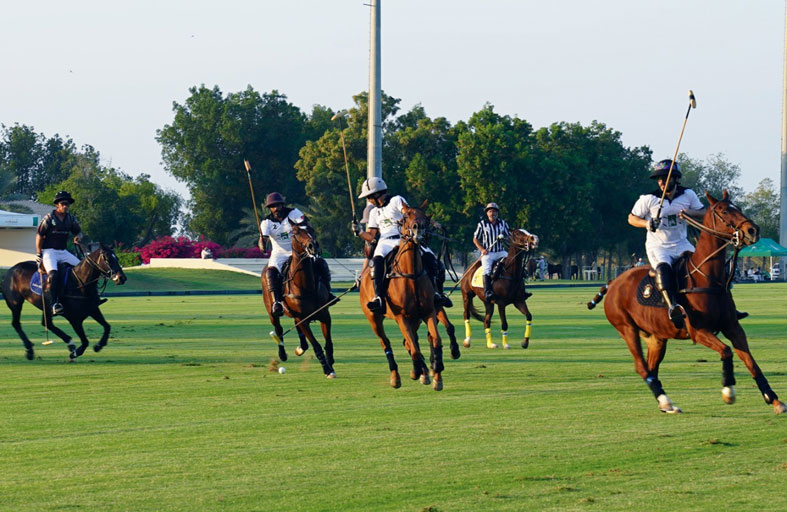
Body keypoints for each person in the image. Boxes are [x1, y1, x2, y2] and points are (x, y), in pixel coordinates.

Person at [352, 177, 449, 313]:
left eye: (369, 197)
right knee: (375, 263)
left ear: (376, 194)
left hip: (404, 238)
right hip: (385, 242)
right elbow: (371, 236)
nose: (368, 200)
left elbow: (412, 214)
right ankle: (378, 297)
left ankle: (438, 293)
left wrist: (432, 223)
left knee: (432, 259)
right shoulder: (374, 212)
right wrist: (359, 232)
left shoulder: (396, 200)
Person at [628, 159, 705, 328]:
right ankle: (673, 307)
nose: (662, 182)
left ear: (675, 179)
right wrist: (647, 224)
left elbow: (703, 212)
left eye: (666, 178)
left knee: (704, 265)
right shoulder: (649, 199)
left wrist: (689, 213)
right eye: (659, 179)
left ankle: (722, 303)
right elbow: (632, 218)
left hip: (681, 243)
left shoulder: (688, 195)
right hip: (658, 245)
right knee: (663, 269)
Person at [258, 192, 334, 317]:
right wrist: (262, 244)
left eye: (278, 205)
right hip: (280, 253)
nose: (276, 208)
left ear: (282, 205)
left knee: (321, 263)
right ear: (269, 208)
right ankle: (277, 302)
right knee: (270, 272)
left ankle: (328, 294)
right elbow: (264, 240)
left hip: (300, 249)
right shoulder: (266, 222)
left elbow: (306, 227)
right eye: (273, 206)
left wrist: (311, 241)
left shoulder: (293, 213)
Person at [35, 191, 83, 315]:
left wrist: (78, 237)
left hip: (63, 251)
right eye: (63, 203)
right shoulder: (49, 218)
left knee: (83, 268)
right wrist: (39, 253)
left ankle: (84, 296)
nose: (65, 206)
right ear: (57, 204)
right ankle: (54, 304)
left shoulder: (71, 219)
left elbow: (78, 232)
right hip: (49, 251)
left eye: (67, 204)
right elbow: (39, 235)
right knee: (53, 275)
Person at [472, 203, 511, 301]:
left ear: (497, 213)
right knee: (487, 270)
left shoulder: (503, 223)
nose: (492, 213)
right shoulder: (482, 224)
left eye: (494, 211)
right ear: (487, 213)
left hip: (501, 251)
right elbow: (475, 239)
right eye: (490, 211)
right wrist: (482, 249)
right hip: (489, 253)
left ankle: (520, 289)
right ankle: (488, 291)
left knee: (512, 263)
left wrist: (505, 238)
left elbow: (509, 237)